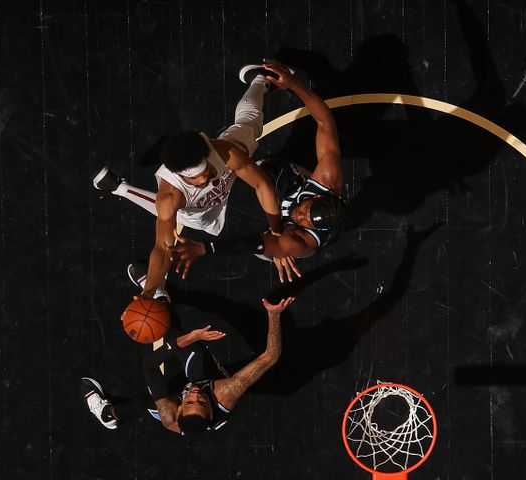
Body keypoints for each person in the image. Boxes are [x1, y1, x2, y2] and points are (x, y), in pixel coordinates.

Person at [92, 65, 283, 302]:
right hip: (197, 212)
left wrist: (277, 234)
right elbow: (163, 248)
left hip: (228, 177)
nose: (204, 179)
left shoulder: (225, 152)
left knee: (250, 125)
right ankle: (119, 187)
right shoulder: (171, 194)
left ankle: (260, 80)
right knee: (177, 216)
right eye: (195, 178)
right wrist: (150, 291)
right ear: (179, 175)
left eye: (206, 171)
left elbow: (262, 185)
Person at [169, 62, 348, 283]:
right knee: (244, 150)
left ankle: (277, 252)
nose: (298, 215)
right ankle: (261, 81)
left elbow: (256, 242)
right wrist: (294, 84)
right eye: (305, 209)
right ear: (320, 196)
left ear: (311, 229)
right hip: (278, 177)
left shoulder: (301, 244)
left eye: (304, 220)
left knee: (266, 251)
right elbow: (325, 122)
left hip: (276, 231)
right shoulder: (328, 179)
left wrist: (206, 248)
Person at [81, 296, 294, 435]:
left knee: (148, 398)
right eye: (200, 402)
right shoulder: (227, 392)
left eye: (189, 401)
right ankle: (160, 312)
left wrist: (140, 319)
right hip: (207, 381)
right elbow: (270, 357)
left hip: (172, 408)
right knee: (194, 351)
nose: (194, 394)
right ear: (210, 410)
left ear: (180, 407)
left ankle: (109, 414)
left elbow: (149, 365)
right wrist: (274, 315)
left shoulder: (169, 414)